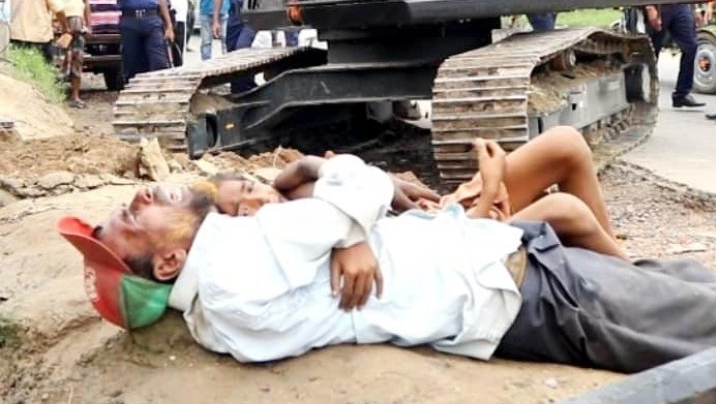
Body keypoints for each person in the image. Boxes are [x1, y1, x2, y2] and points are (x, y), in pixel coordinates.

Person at [61, 135, 716, 374]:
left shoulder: (227, 282)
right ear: (169, 263)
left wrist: (344, 225)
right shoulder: (238, 261)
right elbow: (362, 179)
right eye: (132, 216)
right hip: (528, 292)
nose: (142, 194)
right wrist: (348, 223)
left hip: (513, 279)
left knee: (689, 290)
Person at [213, 127, 627, 262]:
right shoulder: (295, 227)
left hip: (441, 216)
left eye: (251, 189)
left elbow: (385, 187)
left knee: (565, 142)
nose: (257, 201)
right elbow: (432, 248)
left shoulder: (293, 188)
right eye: (240, 209)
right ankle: (631, 276)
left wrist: (427, 196)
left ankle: (616, 261)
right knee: (563, 208)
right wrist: (488, 184)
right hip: (449, 242)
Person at [48, 0, 91, 108]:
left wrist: (89, 23)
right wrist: (55, 23)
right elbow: (49, 1)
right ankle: (55, 98)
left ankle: (75, 96)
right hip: (60, 22)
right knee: (59, 60)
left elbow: (86, 1)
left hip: (77, 21)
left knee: (77, 59)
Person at [644, 3, 705, 109]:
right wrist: (649, 6)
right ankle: (647, 94)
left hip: (681, 3)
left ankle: (682, 94)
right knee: (652, 50)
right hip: (658, 3)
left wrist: (695, 9)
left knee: (691, 46)